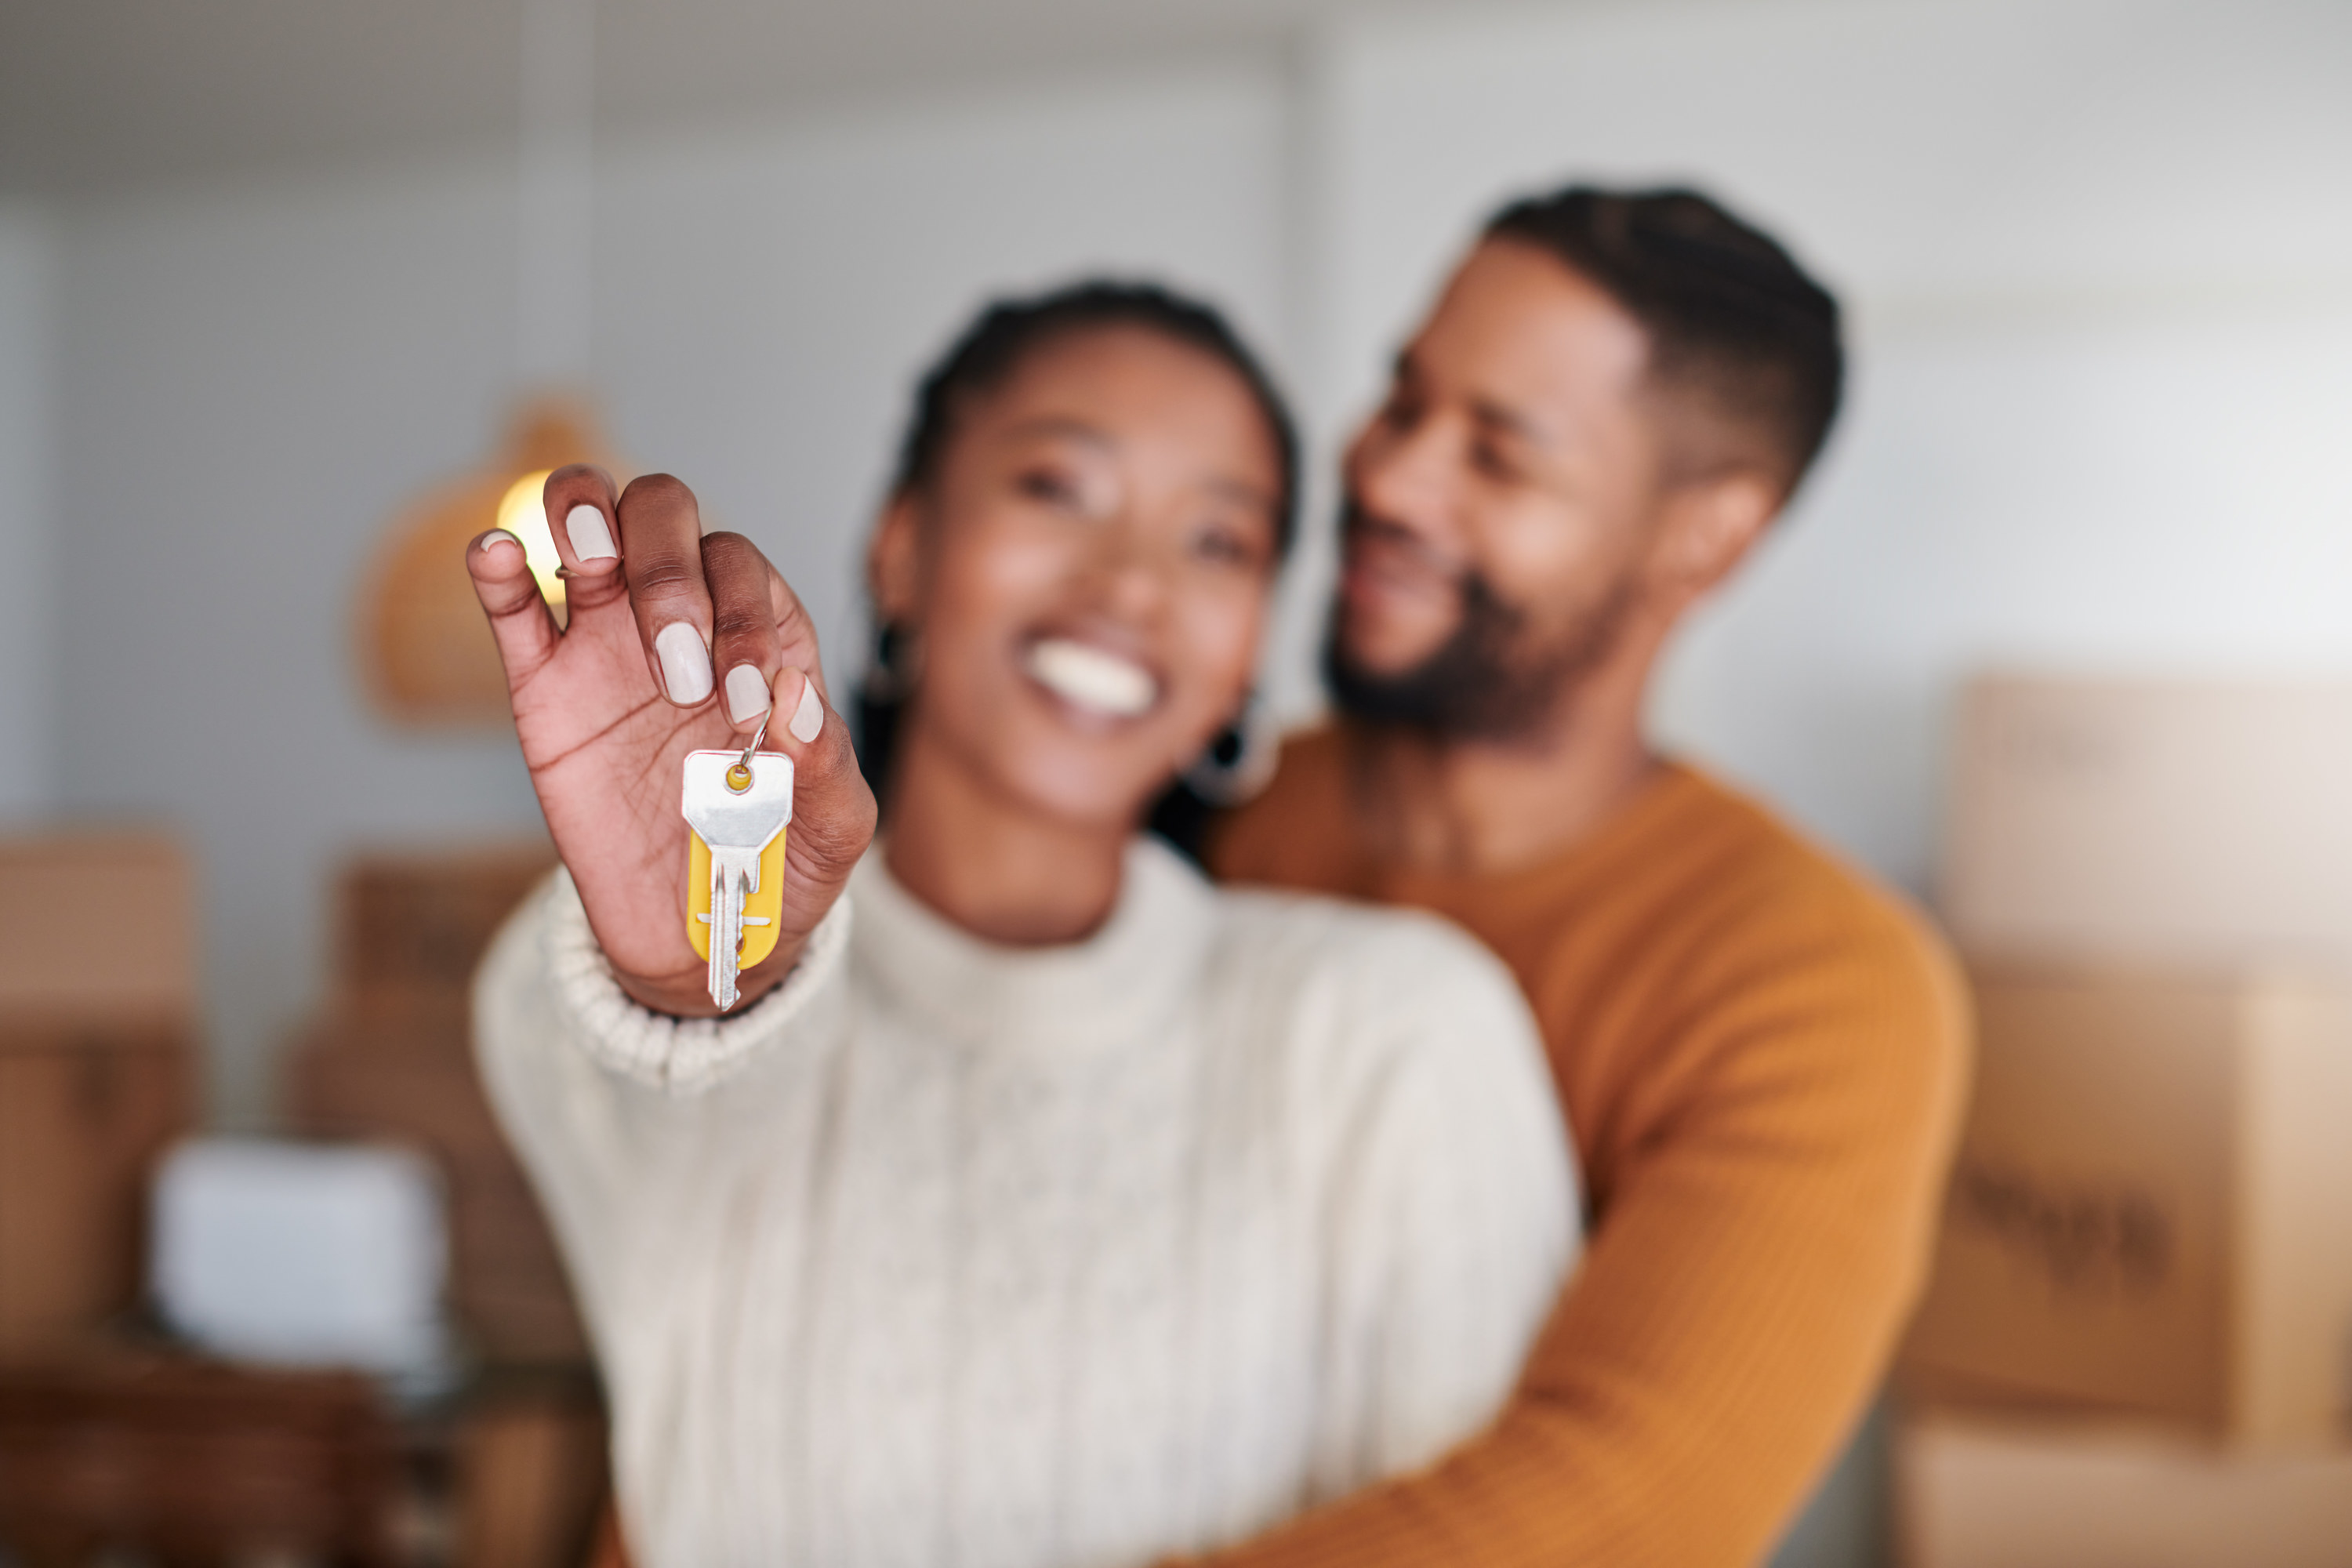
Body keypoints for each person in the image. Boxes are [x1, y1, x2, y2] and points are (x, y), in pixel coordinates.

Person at [464, 282, 1580, 1567]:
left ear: (1250, 653)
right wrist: (709, 958)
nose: (1131, 584)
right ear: (901, 547)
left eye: (1218, 542)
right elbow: (620, 1046)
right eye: (1058, 488)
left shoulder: (1397, 1035)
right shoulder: (597, 994)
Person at [1189, 187, 1971, 1568]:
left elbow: (1625, 1506)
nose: (1383, 479)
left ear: (1703, 538)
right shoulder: (1199, 816)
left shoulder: (1816, 979)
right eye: (1402, 397)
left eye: (1498, 454)